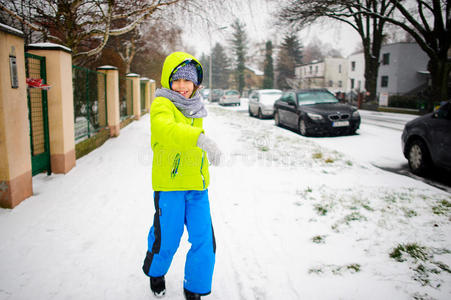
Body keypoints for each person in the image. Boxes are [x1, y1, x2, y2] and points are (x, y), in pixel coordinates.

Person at [142, 51, 221, 300]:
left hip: (197, 187)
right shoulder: (162, 104)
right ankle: (156, 273)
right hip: (170, 186)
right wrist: (199, 139)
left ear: (196, 83)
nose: (182, 86)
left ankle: (194, 288)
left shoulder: (195, 105)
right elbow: (166, 130)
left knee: (204, 241)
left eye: (188, 81)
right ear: (168, 80)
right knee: (167, 239)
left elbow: (190, 144)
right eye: (177, 80)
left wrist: (203, 157)